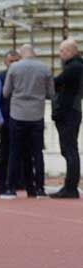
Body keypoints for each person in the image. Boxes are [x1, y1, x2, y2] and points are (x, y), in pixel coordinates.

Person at [3, 44, 53, 199]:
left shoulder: (14, 68)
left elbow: (6, 92)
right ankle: (39, 189)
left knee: (15, 152)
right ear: (34, 53)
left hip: (18, 114)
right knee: (37, 153)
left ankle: (11, 188)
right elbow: (51, 93)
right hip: (37, 115)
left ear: (21, 54)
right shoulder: (45, 68)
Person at [51, 38, 83, 199]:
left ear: (71, 51)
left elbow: (56, 82)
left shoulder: (74, 67)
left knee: (70, 150)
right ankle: (70, 186)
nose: (59, 54)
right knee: (69, 149)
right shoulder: (75, 66)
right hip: (72, 111)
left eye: (62, 51)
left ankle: (70, 187)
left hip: (69, 112)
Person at [0, 49, 20, 196]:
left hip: (20, 121)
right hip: (7, 122)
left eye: (17, 61)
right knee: (5, 153)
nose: (15, 64)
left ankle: (15, 183)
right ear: (6, 62)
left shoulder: (22, 77)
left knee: (19, 154)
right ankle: (2, 184)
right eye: (12, 61)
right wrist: (1, 120)